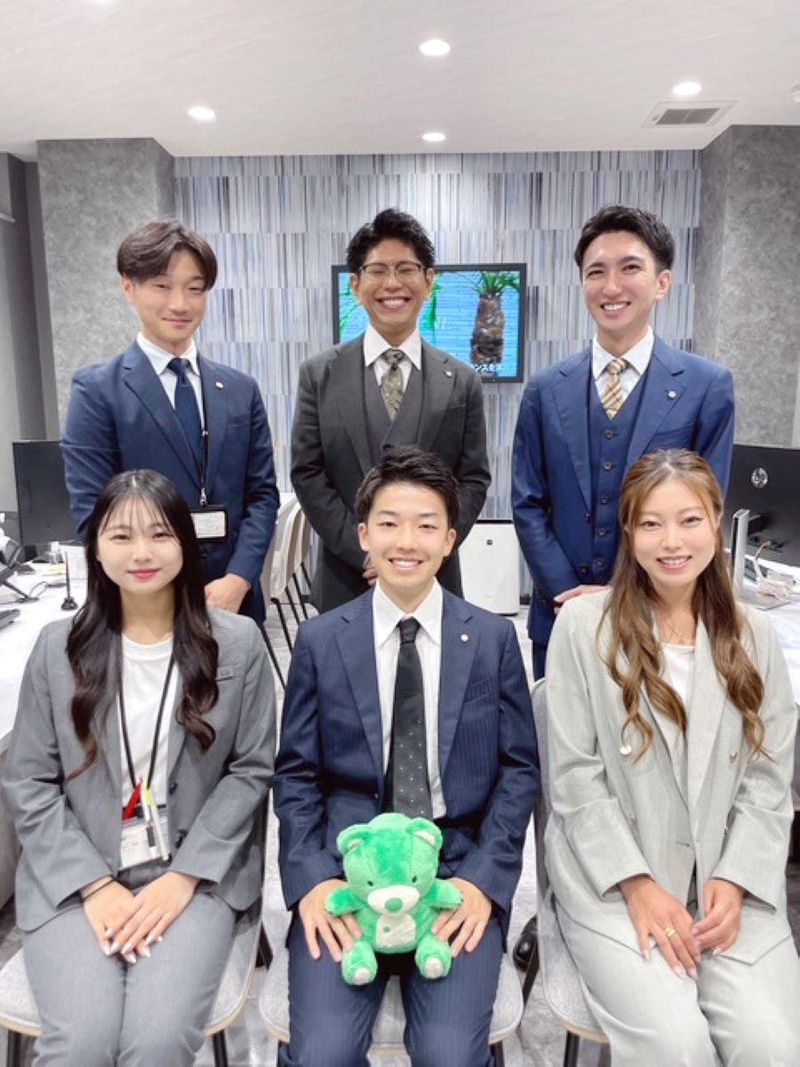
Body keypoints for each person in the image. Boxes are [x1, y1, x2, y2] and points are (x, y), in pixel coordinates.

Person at [274, 446, 538, 1067]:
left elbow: (519, 772)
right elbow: (296, 776)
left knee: (450, 1055)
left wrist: (483, 882)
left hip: (454, 873)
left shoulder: (493, 639)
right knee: (322, 1054)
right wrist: (312, 880)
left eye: (426, 525)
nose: (407, 542)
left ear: (450, 539)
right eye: (389, 523)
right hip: (347, 873)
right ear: (364, 534)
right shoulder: (321, 640)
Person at [3, 469, 275, 1065]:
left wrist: (184, 878)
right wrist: (93, 884)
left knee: (154, 1043)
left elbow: (251, 771)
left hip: (194, 873)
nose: (142, 553)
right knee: (82, 1044)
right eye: (121, 536)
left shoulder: (238, 643)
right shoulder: (56, 648)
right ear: (96, 547)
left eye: (159, 534)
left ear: (185, 542)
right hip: (78, 874)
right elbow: (28, 780)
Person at [545, 449, 800, 1067]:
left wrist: (736, 880)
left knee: (773, 1046)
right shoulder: (583, 626)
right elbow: (575, 779)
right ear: (628, 532)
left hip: (730, 879)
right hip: (616, 881)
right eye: (651, 524)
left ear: (717, 520)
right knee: (675, 1047)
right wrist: (638, 887)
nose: (672, 542)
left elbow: (769, 781)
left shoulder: (755, 636)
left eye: (689, 520)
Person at [512, 204, 735, 681]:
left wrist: (624, 595)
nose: (611, 287)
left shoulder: (706, 386)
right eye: (596, 272)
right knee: (558, 726)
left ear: (662, 282)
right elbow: (528, 503)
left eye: (630, 267)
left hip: (662, 618)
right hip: (559, 617)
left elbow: (706, 510)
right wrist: (569, 597)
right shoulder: (545, 389)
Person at [62, 220, 279, 626]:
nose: (179, 304)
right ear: (128, 287)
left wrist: (239, 578)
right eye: (162, 286)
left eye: (194, 289)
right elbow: (93, 512)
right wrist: (159, 591)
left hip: (233, 602)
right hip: (142, 607)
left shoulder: (240, 389)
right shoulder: (97, 391)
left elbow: (262, 494)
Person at [291, 208, 491, 613]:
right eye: (378, 270)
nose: (392, 283)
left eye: (406, 269)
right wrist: (365, 550)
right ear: (355, 284)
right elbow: (308, 473)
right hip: (347, 579)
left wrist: (431, 547)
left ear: (429, 281)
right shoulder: (319, 374)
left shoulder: (462, 381)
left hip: (434, 577)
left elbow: (473, 478)